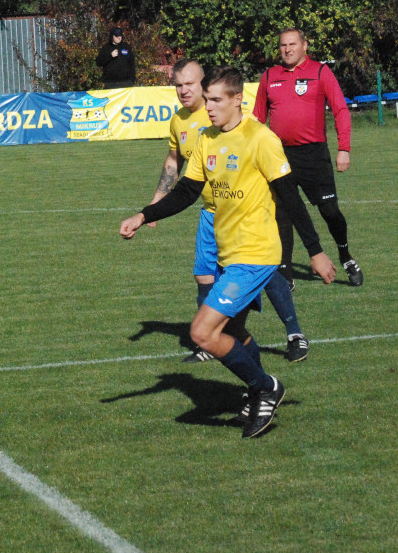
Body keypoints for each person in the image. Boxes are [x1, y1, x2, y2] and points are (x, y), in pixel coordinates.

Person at [120, 67, 336, 438]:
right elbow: (187, 192)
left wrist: (315, 251)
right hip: (228, 253)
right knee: (233, 330)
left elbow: (291, 198)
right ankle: (257, 391)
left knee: (202, 332)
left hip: (256, 254)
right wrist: (144, 214)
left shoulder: (260, 139)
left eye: (217, 100)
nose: (209, 107)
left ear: (239, 100)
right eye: (208, 99)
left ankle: (266, 387)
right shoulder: (207, 138)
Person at [148, 59, 312, 364]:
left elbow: (283, 186)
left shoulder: (232, 120)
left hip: (245, 216)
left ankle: (293, 332)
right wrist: (156, 203)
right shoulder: (179, 121)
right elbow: (175, 163)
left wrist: (314, 249)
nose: (183, 90)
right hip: (210, 215)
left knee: (264, 272)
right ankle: (214, 341)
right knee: (203, 277)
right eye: (178, 85)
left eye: (190, 84)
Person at [253, 27, 363, 288]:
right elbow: (257, 119)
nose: (287, 49)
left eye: (292, 44)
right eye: (283, 45)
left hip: (314, 155)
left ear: (305, 46)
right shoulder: (269, 76)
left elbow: (340, 109)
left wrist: (344, 148)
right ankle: (285, 274)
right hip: (280, 156)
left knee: (330, 211)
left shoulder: (320, 72)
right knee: (283, 214)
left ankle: (345, 255)